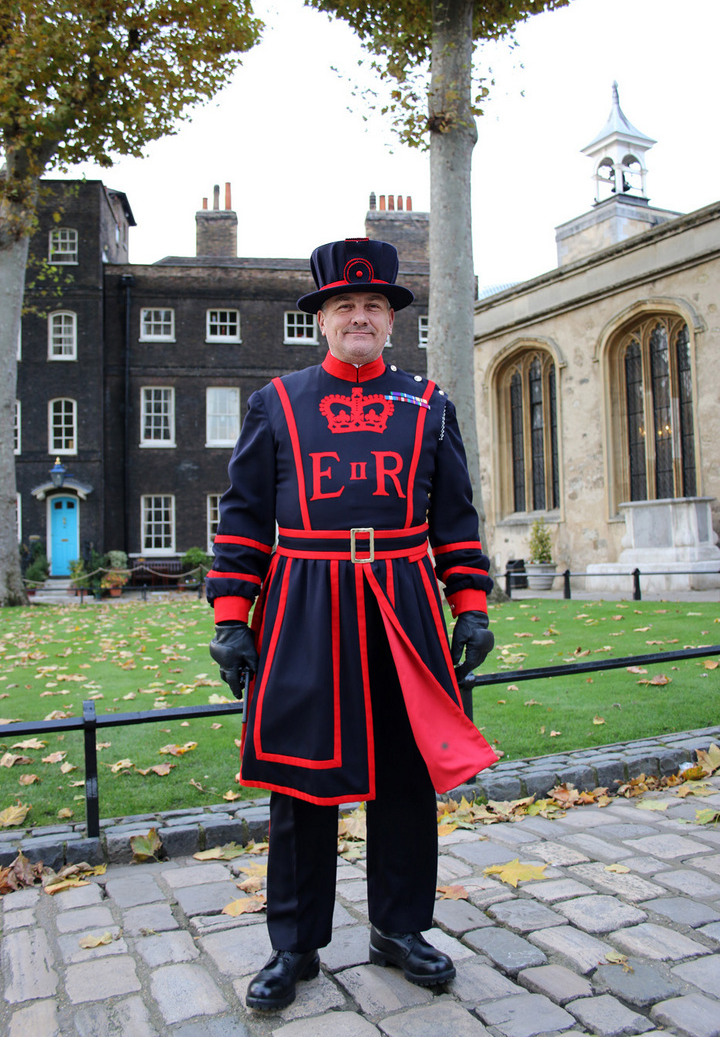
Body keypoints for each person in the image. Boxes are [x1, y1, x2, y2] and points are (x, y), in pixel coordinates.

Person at [207, 237, 497, 1011]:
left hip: (404, 606)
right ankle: (294, 946)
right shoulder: (277, 400)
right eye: (346, 307)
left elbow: (457, 519)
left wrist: (469, 605)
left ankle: (399, 930)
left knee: (405, 777)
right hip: (304, 604)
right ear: (323, 321)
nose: (360, 317)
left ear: (392, 322)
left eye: (374, 306)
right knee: (299, 782)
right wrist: (233, 617)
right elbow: (241, 523)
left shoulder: (430, 404)